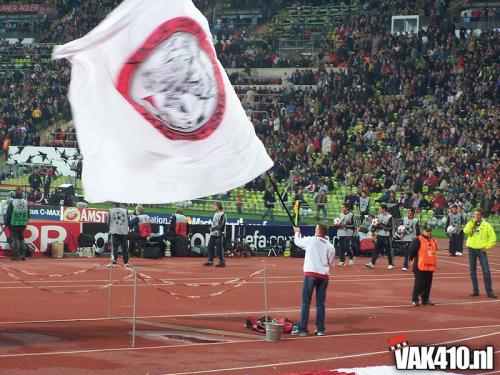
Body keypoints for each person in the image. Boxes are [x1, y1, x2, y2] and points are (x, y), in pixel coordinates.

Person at [291, 224, 335, 336]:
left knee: (306, 302)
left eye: (316, 229)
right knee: (320, 303)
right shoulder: (330, 246)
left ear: (319, 231)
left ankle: (302, 329)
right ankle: (320, 329)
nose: (314, 231)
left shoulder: (311, 240)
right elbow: (332, 263)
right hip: (323, 276)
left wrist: (296, 232)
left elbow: (298, 242)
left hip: (311, 274)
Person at [463, 208, 497, 299]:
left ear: (481, 215)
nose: (476, 216)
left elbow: (493, 238)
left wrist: (487, 247)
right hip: (471, 249)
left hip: (481, 250)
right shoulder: (472, 223)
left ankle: (489, 292)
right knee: (472, 271)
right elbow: (465, 231)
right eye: (475, 214)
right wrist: (471, 223)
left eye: (477, 214)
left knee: (486, 271)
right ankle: (475, 290)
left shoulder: (486, 225)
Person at [409, 225, 437, 306]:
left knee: (428, 284)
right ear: (423, 230)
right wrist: (412, 260)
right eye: (427, 230)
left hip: (430, 266)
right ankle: (415, 299)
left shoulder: (433, 241)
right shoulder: (418, 240)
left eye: (430, 230)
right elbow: (412, 251)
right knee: (419, 284)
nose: (429, 232)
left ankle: (425, 299)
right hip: (419, 266)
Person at [366, 203, 394, 269]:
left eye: (380, 208)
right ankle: (372, 263)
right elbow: (376, 225)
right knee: (376, 250)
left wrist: (380, 224)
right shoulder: (379, 216)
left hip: (386, 236)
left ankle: (391, 264)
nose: (379, 209)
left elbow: (389, 227)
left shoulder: (390, 217)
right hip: (379, 235)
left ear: (384, 209)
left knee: (388, 250)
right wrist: (373, 228)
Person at [5, 189, 29, 261]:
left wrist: (6, 222)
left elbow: (9, 214)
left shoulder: (12, 202)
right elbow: (28, 213)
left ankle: (16, 255)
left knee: (15, 239)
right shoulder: (25, 202)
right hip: (23, 223)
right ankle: (23, 254)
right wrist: (26, 221)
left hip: (14, 223)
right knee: (21, 238)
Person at [107, 202, 130, 268]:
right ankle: (126, 263)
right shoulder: (125, 211)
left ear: (114, 204)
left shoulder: (110, 210)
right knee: (124, 248)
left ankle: (114, 263)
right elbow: (128, 220)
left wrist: (110, 228)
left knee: (115, 248)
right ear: (120, 204)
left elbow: (107, 221)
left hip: (114, 231)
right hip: (124, 231)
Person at [204, 202, 226, 267]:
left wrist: (213, 228)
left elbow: (221, 225)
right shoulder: (216, 214)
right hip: (213, 233)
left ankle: (222, 262)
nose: (213, 207)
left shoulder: (222, 214)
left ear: (218, 206)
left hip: (219, 233)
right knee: (210, 247)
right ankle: (210, 261)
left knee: (219, 248)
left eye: (214, 206)